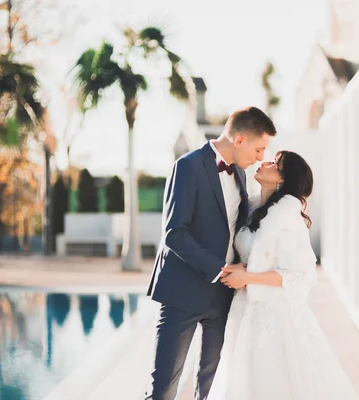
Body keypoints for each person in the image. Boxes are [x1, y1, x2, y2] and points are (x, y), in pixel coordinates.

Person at [145, 106, 276, 400]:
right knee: (163, 388)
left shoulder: (241, 176)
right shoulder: (188, 166)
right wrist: (220, 269)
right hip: (183, 292)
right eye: (259, 149)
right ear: (240, 140)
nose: (260, 158)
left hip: (223, 296)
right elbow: (174, 234)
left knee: (213, 387)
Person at [209, 151, 359, 400]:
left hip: (276, 316)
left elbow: (301, 276)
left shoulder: (288, 217)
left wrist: (248, 277)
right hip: (246, 310)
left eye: (274, 164)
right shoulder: (256, 209)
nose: (263, 162)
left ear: (282, 179)